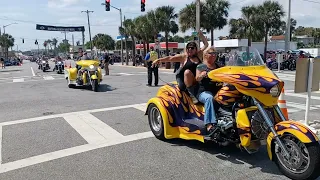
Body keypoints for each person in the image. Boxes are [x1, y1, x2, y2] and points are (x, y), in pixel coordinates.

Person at [152, 30, 208, 101]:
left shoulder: (199, 55)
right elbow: (170, 58)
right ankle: (191, 94)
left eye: (192, 48)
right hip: (182, 77)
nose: (190, 49)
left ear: (196, 49)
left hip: (194, 77)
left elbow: (206, 45)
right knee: (186, 74)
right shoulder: (184, 57)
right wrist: (158, 60)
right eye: (188, 47)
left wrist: (201, 35)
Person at [195, 47, 222, 136]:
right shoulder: (201, 66)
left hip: (218, 91)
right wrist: (202, 75)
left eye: (215, 53)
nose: (214, 55)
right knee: (209, 98)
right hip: (204, 92)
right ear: (206, 55)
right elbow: (197, 78)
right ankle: (209, 125)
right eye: (211, 53)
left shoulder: (218, 66)